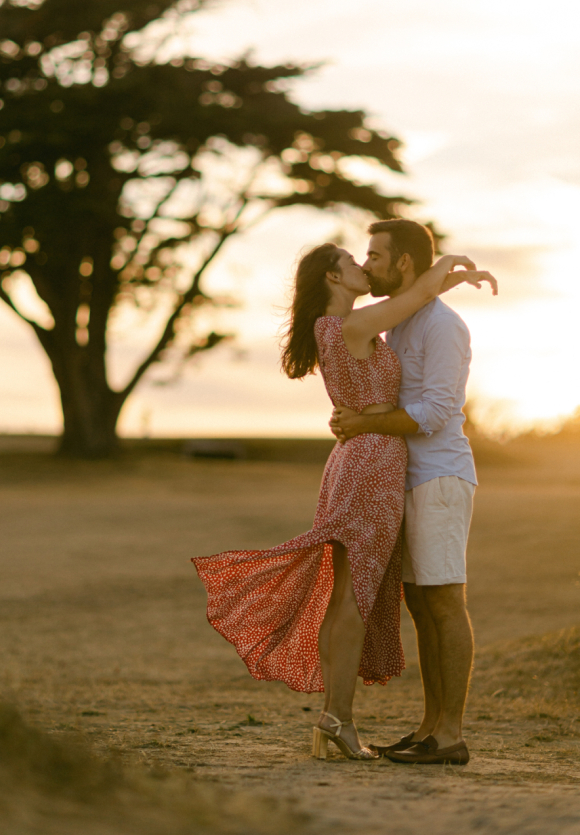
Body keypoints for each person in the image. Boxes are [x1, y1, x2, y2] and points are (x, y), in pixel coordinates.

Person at [192, 240, 495, 762]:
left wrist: (441, 278)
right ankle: (339, 721)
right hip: (372, 464)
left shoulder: (352, 326)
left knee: (350, 594)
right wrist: (450, 265)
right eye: (354, 262)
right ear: (333, 278)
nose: (362, 264)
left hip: (365, 461)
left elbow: (416, 297)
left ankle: (343, 721)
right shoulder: (352, 327)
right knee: (354, 596)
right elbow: (417, 290)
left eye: (371, 255)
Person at [330, 219, 497, 766]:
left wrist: (366, 424)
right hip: (405, 475)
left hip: (440, 477)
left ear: (404, 262)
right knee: (421, 604)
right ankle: (429, 727)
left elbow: (438, 412)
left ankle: (450, 734)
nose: (368, 263)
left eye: (376, 255)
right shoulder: (400, 322)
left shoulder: (443, 327)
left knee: (446, 602)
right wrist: (362, 417)